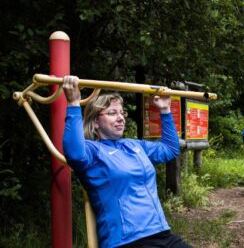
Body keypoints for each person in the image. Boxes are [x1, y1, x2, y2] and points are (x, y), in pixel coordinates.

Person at [62, 75, 191, 248]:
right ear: (96, 123)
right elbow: (75, 154)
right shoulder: (93, 150)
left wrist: (165, 110)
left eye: (122, 112)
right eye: (112, 113)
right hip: (127, 241)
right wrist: (73, 104)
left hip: (161, 234)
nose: (120, 117)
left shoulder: (133, 145)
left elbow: (170, 150)